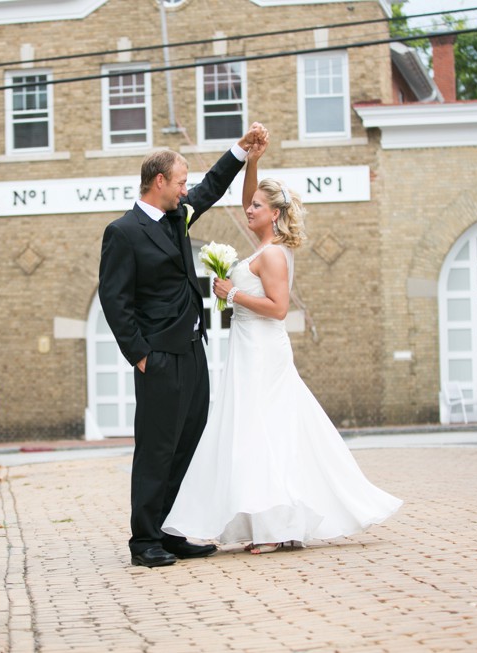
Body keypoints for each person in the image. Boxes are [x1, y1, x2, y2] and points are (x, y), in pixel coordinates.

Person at [162, 141, 403, 554]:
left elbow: (278, 309)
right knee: (260, 434)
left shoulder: (272, 255)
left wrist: (233, 294)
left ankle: (274, 527)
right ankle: (276, 522)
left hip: (262, 351)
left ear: (275, 214)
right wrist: (251, 162)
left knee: (261, 433)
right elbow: (245, 196)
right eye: (250, 204)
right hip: (247, 349)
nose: (249, 209)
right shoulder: (264, 248)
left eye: (257, 205)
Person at [98, 123, 270, 568]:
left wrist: (241, 150)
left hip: (193, 349)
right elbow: (115, 302)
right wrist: (140, 355)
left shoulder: (177, 215)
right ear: (159, 182)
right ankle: (144, 542)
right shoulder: (124, 232)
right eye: (179, 182)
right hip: (157, 358)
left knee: (187, 441)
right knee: (156, 448)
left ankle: (168, 529)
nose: (185, 189)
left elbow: (211, 186)